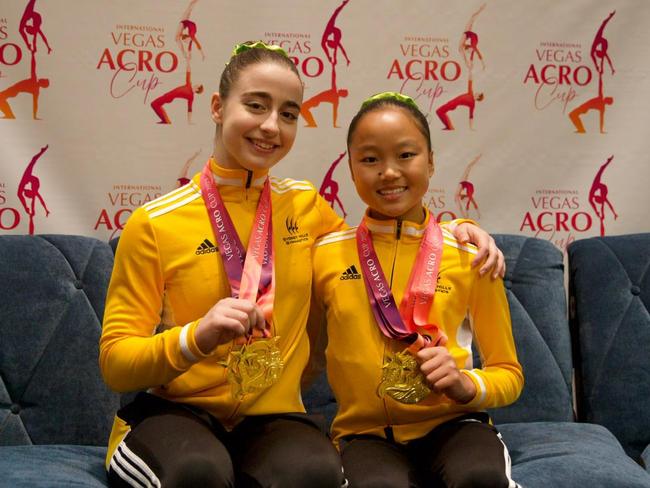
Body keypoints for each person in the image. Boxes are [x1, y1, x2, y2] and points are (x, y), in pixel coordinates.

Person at [100, 42, 503, 488]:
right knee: (197, 472)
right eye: (256, 106)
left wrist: (460, 230)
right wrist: (194, 338)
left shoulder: (307, 207)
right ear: (217, 107)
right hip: (174, 414)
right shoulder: (155, 222)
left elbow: (382, 242)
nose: (271, 126)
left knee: (313, 471)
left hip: (272, 419)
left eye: (288, 114)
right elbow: (116, 364)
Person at [310, 92, 523, 487]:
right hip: (365, 436)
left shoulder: (470, 254)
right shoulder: (324, 255)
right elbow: (301, 356)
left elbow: (508, 373)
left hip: (455, 426)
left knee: (480, 479)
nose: (389, 172)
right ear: (351, 171)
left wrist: (465, 385)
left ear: (431, 162)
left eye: (406, 155)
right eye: (370, 159)